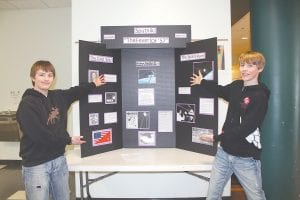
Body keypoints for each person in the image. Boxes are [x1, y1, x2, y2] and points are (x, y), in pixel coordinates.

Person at [16, 60, 106, 200]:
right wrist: (68, 140)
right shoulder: (27, 105)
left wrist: (93, 84)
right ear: (33, 78)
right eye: (42, 75)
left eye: (50, 75)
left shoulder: (58, 96)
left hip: (58, 160)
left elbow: (76, 92)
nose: (46, 78)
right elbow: (40, 135)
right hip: (36, 165)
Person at [190, 51, 270, 200]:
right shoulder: (237, 85)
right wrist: (202, 82)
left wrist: (216, 137)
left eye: (250, 66)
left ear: (260, 69)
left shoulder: (260, 97)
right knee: (212, 195)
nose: (244, 69)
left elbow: (245, 129)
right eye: (242, 65)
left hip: (245, 158)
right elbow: (221, 90)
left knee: (256, 197)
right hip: (224, 154)